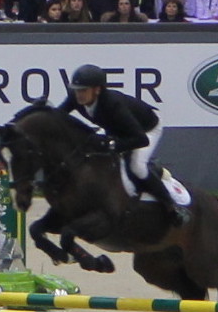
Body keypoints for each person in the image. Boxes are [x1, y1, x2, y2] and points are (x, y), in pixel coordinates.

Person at [60, 63, 186, 223]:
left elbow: (141, 139)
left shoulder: (113, 105)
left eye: (84, 90)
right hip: (117, 129)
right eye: (77, 90)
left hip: (146, 129)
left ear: (97, 90)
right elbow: (59, 115)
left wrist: (112, 146)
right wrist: (42, 110)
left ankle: (172, 206)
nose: (79, 95)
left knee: (136, 166)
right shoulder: (75, 98)